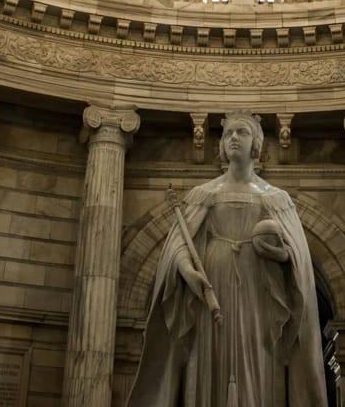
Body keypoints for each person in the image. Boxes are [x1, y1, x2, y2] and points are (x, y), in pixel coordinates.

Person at [126, 112, 327, 407]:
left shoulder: (276, 198)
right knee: (209, 356)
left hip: (260, 294)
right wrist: (188, 271)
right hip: (211, 290)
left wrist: (282, 255)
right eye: (228, 133)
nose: (233, 138)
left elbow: (297, 257)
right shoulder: (202, 195)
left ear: (256, 144)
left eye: (242, 133)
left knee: (256, 358)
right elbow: (179, 246)